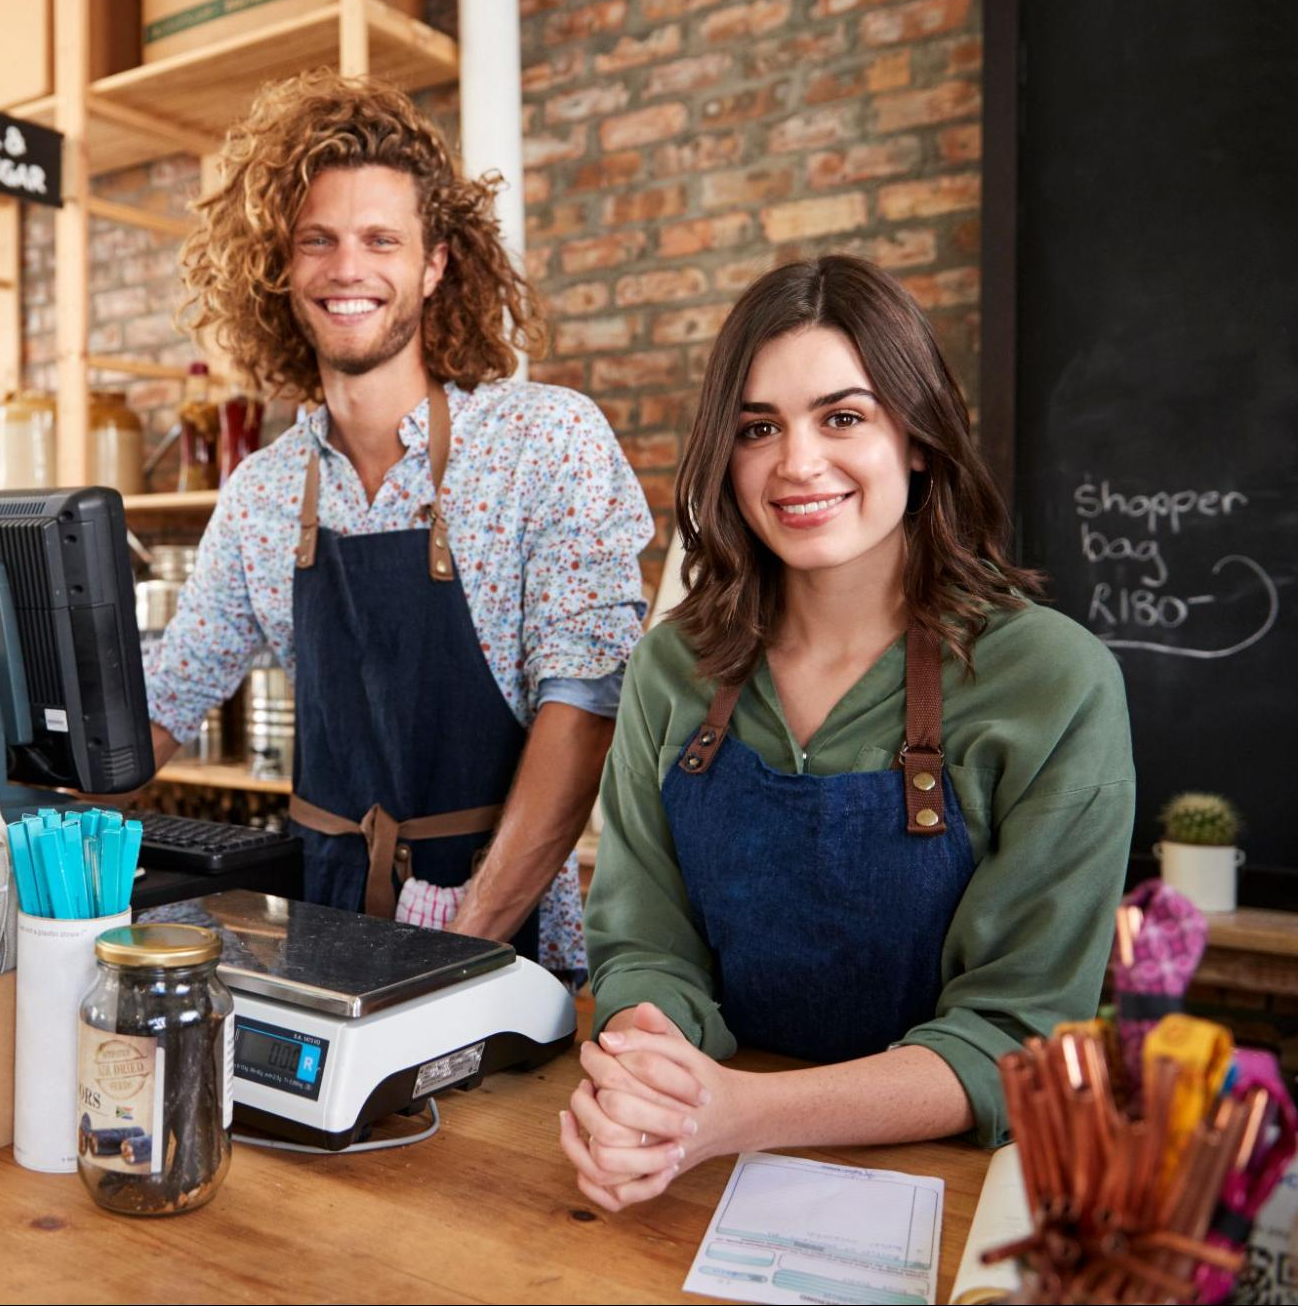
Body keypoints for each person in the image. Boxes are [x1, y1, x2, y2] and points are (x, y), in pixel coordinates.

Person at [564, 256, 1134, 1208]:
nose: (796, 463)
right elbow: (644, 945)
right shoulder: (672, 669)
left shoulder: (1055, 681)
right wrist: (652, 1080)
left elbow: (1014, 1031)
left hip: (951, 1192)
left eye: (842, 416)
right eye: (757, 428)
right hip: (697, 1176)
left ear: (915, 436)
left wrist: (735, 1112)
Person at [145, 72, 653, 973]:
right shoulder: (262, 493)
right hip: (322, 929)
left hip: (503, 933)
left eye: (381, 239)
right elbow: (164, 700)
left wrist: (455, 948)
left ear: (433, 263)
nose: (348, 269)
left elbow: (583, 715)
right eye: (318, 241)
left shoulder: (544, 441)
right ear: (282, 266)